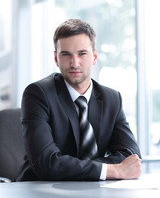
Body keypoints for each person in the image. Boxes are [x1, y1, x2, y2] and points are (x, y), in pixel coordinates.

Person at [16, 18, 141, 181]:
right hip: (41, 190)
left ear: (94, 57)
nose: (75, 63)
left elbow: (131, 156)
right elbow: (46, 164)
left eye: (82, 54)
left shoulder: (112, 99)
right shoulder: (38, 94)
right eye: (66, 54)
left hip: (93, 190)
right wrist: (114, 170)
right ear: (56, 58)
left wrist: (71, 166)